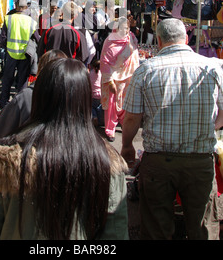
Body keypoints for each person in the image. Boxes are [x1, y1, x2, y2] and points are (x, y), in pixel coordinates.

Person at [0, 58, 129, 240]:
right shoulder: (107, 164)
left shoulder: (3, 159)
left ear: (39, 97)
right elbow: (116, 234)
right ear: (85, 101)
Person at [121, 18, 223, 240]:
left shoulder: (145, 70)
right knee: (203, 227)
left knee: (157, 228)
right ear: (186, 39)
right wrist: (211, 127)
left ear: (158, 41)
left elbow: (131, 118)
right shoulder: (213, 66)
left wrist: (127, 146)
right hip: (200, 161)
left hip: (158, 163)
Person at [0, 49, 67, 139]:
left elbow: (1, 131)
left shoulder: (26, 97)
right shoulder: (70, 99)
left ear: (40, 68)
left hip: (26, 149)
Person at [100, 16, 139, 142]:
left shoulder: (131, 37)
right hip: (113, 78)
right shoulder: (110, 41)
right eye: (122, 29)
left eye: (127, 28)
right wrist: (110, 81)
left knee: (124, 102)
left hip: (128, 76)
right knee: (112, 105)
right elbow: (105, 62)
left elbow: (135, 50)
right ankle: (110, 129)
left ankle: (123, 122)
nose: (125, 31)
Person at [0, 0, 37, 108]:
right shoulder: (31, 21)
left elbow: (3, 38)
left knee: (7, 78)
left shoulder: (9, 18)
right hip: (25, 55)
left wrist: (5, 46)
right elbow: (37, 38)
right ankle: (20, 104)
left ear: (15, 5)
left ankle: (3, 101)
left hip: (10, 54)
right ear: (26, 7)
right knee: (22, 81)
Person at [89, 59, 104, 126]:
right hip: (100, 94)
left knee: (92, 107)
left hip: (92, 94)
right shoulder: (101, 74)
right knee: (99, 107)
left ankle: (94, 116)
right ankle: (100, 120)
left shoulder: (91, 73)